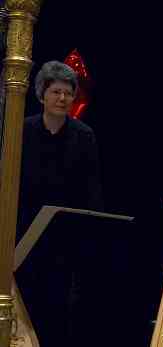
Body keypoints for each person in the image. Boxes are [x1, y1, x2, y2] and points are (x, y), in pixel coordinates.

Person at [16, 60, 103, 346]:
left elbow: (91, 192)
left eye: (68, 93)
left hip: (66, 242)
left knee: (60, 315)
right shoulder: (22, 130)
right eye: (56, 92)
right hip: (24, 238)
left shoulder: (84, 136)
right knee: (25, 308)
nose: (63, 99)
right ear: (42, 94)